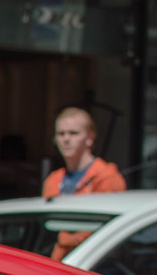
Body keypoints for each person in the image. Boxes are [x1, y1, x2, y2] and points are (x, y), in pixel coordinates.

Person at [42, 107, 127, 261]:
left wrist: (64, 239)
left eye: (73, 133)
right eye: (61, 134)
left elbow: (108, 228)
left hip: (94, 263)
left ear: (90, 138)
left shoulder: (107, 177)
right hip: (56, 263)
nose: (66, 139)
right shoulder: (52, 180)